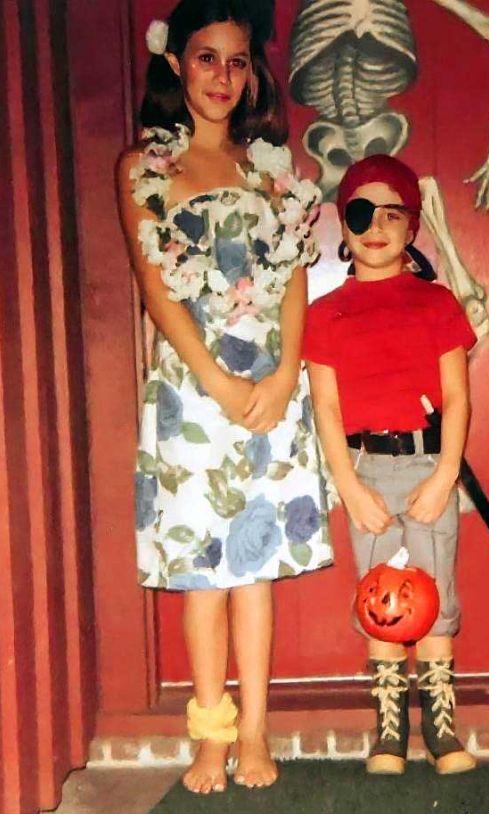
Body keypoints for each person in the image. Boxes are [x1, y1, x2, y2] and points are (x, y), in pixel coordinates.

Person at [115, 0, 333, 795]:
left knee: (254, 568)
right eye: (206, 58)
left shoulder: (268, 170)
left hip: (269, 389)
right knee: (204, 572)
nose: (221, 77)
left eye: (236, 62)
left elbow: (295, 281)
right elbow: (155, 289)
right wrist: (217, 382)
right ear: (176, 63)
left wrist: (283, 377)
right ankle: (209, 734)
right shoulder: (145, 166)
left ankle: (255, 732)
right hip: (195, 388)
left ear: (251, 74)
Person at [303, 154, 477, 776]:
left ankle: (441, 729)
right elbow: (325, 406)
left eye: (391, 214)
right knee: (380, 596)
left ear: (411, 226)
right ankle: (389, 730)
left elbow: (456, 397)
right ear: (343, 225)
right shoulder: (325, 313)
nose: (375, 227)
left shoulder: (436, 304)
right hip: (367, 474)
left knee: (435, 595)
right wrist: (349, 488)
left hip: (429, 470)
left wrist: (445, 477)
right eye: (360, 213)